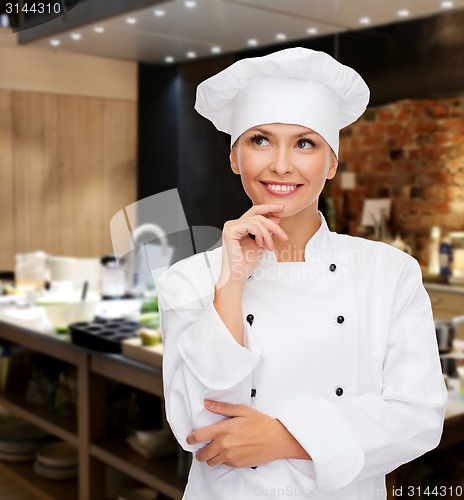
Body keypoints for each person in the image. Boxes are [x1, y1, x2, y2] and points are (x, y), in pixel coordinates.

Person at [156, 47, 447, 500]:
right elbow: (200, 429)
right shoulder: (190, 278)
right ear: (234, 158)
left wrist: (285, 438)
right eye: (260, 140)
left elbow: (419, 416)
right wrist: (231, 284)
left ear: (331, 163)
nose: (281, 165)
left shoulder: (389, 273)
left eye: (305, 143)